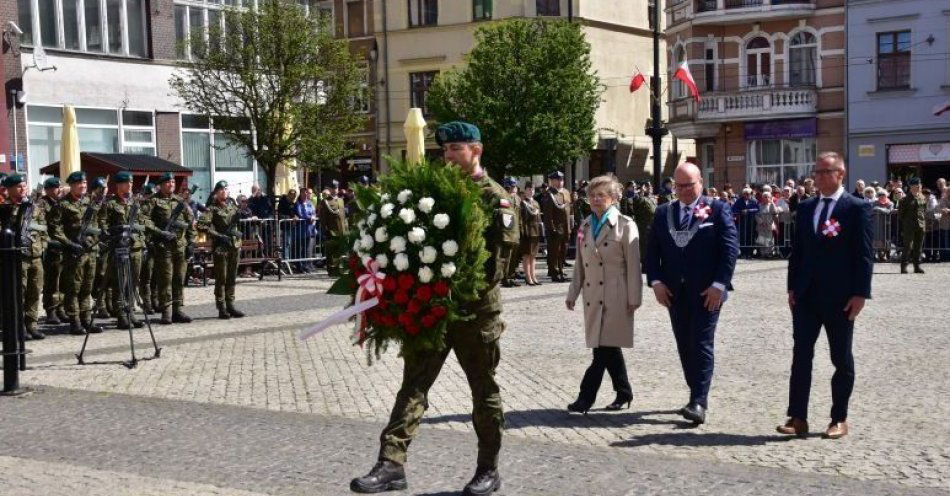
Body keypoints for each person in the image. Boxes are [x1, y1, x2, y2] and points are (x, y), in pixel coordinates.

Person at [350, 121, 512, 496]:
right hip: (433, 309)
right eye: (446, 149)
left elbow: (495, 268)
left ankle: (488, 468)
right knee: (414, 384)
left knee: (483, 391)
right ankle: (391, 463)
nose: (449, 155)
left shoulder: (496, 199)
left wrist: (449, 286)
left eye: (457, 148)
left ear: (477, 150)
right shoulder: (433, 194)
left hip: (475, 313)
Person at [779, 152, 873, 440]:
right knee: (801, 355)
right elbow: (799, 251)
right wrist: (792, 287)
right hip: (806, 296)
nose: (818, 176)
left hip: (841, 297)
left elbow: (864, 254)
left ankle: (839, 418)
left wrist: (860, 293)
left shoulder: (855, 207)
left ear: (840, 174)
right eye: (816, 171)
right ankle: (797, 417)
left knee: (840, 358)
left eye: (825, 171)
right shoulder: (807, 207)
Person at [645, 162, 739, 425]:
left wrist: (719, 285)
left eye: (689, 185)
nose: (684, 190)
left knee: (701, 342)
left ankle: (699, 400)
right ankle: (694, 392)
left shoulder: (717, 209)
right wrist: (656, 282)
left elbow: (730, 249)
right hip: (675, 291)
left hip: (708, 291)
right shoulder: (664, 212)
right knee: (684, 343)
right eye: (679, 185)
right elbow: (652, 252)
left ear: (701, 183)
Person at [564, 175, 642, 413]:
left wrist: (634, 298)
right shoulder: (585, 225)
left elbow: (633, 265)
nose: (596, 199)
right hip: (592, 295)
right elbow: (580, 263)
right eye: (592, 195)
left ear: (613, 198)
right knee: (607, 347)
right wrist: (572, 292)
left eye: (601, 195)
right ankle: (624, 392)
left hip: (615, 295)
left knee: (602, 350)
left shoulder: (625, 224)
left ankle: (585, 398)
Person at [48, 171, 104, 336]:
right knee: (74, 288)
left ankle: (86, 319)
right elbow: (55, 229)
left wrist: (95, 240)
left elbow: (96, 223)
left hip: (90, 251)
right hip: (74, 253)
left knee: (88, 287)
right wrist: (69, 244)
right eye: (80, 183)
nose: (83, 186)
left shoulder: (89, 202)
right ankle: (75, 322)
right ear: (71, 185)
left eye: (85, 183)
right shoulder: (62, 205)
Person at [99, 171, 150, 330]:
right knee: (121, 282)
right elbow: (103, 224)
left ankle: (130, 311)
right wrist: (113, 234)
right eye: (126, 183)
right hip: (120, 248)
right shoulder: (111, 204)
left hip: (135, 247)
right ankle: (121, 313)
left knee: (133, 282)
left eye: (131, 183)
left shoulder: (134, 202)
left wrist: (142, 239)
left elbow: (142, 222)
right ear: (119, 185)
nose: (130, 185)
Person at [0, 174, 47, 340]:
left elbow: (43, 229)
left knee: (35, 291)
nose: (23, 188)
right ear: (10, 189)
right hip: (18, 257)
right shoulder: (5, 209)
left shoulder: (34, 206)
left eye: (24, 185)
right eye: (19, 186)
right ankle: (18, 326)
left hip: (35, 255)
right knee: (19, 292)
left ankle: (32, 324)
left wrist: (43, 246)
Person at [147, 173, 196, 325]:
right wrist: (160, 232)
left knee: (179, 279)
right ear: (160, 185)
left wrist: (191, 243)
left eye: (173, 181)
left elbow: (190, 222)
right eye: (168, 182)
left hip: (180, 246)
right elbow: (144, 220)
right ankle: (166, 312)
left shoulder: (180, 201)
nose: (171, 184)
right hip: (164, 247)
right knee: (165, 279)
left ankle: (178, 310)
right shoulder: (153, 201)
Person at [199, 181, 246, 319]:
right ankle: (221, 307)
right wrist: (218, 235)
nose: (223, 191)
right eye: (220, 190)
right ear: (216, 193)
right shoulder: (212, 209)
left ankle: (231, 304)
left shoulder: (232, 207)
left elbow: (241, 218)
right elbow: (201, 226)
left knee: (231, 277)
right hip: (221, 247)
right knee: (222, 278)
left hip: (234, 246)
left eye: (225, 189)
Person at [39, 177, 66, 325]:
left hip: (62, 246)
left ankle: (61, 308)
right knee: (52, 281)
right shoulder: (42, 203)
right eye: (56, 188)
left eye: (60, 187)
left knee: (62, 280)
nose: (59, 190)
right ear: (48, 189)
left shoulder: (60, 203)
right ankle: (51, 310)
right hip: (51, 247)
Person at [540, 171, 572, 282]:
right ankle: (554, 272)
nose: (560, 182)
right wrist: (552, 228)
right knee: (554, 251)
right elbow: (548, 215)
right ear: (552, 181)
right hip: (555, 229)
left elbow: (569, 210)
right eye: (557, 180)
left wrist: (570, 225)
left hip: (565, 227)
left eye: (561, 180)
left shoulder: (566, 193)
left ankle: (561, 270)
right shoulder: (550, 195)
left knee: (564, 250)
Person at [621, 181, 656, 263]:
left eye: (635, 186)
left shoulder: (642, 197)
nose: (634, 188)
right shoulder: (627, 198)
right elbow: (625, 212)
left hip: (643, 223)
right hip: (632, 223)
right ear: (627, 187)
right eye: (632, 186)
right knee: (640, 244)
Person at [898, 178, 927, 274]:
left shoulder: (922, 197)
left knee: (918, 247)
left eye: (920, 185)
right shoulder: (904, 199)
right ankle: (904, 266)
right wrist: (907, 223)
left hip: (921, 225)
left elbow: (924, 211)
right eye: (916, 185)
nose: (919, 187)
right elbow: (901, 215)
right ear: (911, 187)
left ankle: (917, 266)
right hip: (909, 226)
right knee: (908, 247)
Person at [138, 182, 159, 314]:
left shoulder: (156, 209)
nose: (151, 198)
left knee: (155, 277)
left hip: (156, 246)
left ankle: (155, 301)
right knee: (146, 277)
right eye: (149, 195)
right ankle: (147, 303)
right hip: (145, 246)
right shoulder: (140, 210)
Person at [519, 183, 542, 286]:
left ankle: (534, 276)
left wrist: (541, 231)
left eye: (533, 189)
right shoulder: (522, 203)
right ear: (525, 190)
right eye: (529, 189)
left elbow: (539, 219)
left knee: (533, 255)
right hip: (527, 232)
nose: (531, 191)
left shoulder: (536, 203)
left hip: (535, 231)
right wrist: (523, 231)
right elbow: (521, 219)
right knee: (527, 255)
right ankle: (528, 277)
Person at [502, 178, 522, 287]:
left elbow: (520, 216)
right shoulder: (503, 198)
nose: (515, 188)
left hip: (516, 231)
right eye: (512, 187)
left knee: (515, 256)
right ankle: (505, 278)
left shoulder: (518, 199)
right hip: (507, 231)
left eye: (515, 187)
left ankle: (511, 275)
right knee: (507, 256)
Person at [733, 188, 760, 258]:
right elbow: (734, 209)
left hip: (751, 221)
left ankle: (750, 252)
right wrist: (741, 211)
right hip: (742, 222)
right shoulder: (739, 201)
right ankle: (743, 252)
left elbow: (758, 209)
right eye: (745, 194)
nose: (746, 195)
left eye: (748, 194)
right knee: (743, 236)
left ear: (751, 194)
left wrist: (748, 210)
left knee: (751, 236)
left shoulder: (754, 200)